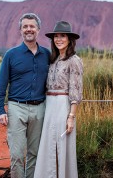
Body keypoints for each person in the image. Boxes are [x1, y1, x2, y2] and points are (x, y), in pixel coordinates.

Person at [0, 13, 50, 178]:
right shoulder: (11, 55)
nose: (29, 29)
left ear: (38, 30)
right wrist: (0, 109)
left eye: (32, 26)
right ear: (20, 30)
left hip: (39, 108)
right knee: (17, 154)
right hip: (16, 108)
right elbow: (1, 84)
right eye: (25, 26)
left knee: (35, 153)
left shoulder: (47, 54)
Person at [34, 21, 83, 178]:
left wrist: (71, 117)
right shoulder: (53, 60)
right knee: (48, 144)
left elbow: (75, 90)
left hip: (63, 105)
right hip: (49, 105)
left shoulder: (74, 60)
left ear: (69, 39)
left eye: (63, 36)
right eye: (56, 36)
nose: (59, 39)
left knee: (62, 145)